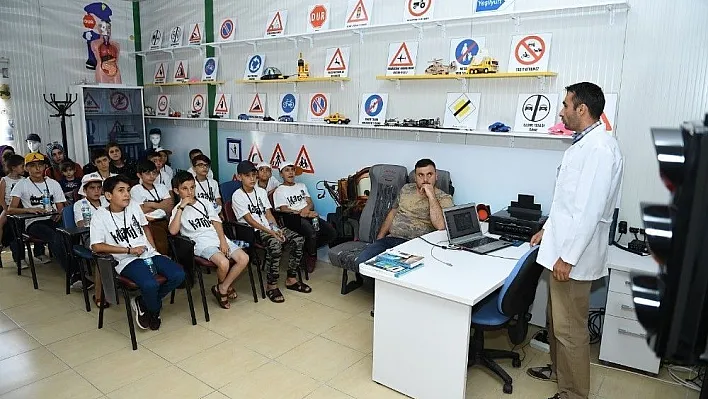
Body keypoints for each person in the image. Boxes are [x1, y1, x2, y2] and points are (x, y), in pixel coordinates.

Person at [526, 82, 623, 399]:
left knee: (570, 331)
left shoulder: (599, 149)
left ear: (582, 109)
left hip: (572, 258)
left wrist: (568, 256)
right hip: (561, 248)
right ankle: (559, 375)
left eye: (566, 105)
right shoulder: (583, 145)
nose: (561, 111)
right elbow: (567, 204)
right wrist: (547, 230)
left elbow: (589, 210)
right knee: (556, 323)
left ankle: (574, 394)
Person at [90, 175, 185, 331]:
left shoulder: (133, 206)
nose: (127, 194)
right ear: (108, 195)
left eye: (128, 190)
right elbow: (96, 246)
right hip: (126, 259)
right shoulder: (100, 216)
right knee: (150, 284)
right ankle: (154, 311)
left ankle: (144, 302)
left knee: (178, 274)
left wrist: (154, 250)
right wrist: (128, 250)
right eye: (121, 191)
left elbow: (145, 227)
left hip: (148, 254)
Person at [232, 161, 310, 303]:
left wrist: (276, 229)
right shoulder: (237, 196)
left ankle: (291, 279)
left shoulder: (261, 192)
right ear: (239, 177)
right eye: (247, 176)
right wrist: (271, 232)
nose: (252, 179)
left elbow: (268, 214)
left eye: (254, 175)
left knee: (298, 239)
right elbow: (250, 221)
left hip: (269, 228)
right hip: (252, 232)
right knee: (275, 245)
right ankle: (271, 285)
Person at [169, 171, 249, 309]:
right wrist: (181, 207)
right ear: (177, 190)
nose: (189, 192)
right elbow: (173, 231)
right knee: (224, 263)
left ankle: (222, 287)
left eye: (192, 187)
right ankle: (224, 288)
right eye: (184, 189)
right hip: (201, 244)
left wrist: (223, 241)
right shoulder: (177, 209)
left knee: (244, 258)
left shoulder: (204, 203)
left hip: (216, 238)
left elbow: (217, 222)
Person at [355, 159, 454, 264]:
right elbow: (393, 212)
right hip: (391, 240)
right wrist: (380, 237)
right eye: (420, 175)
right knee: (362, 262)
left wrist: (431, 195)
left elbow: (440, 226)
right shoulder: (406, 189)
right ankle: (365, 280)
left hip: (416, 245)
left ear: (436, 176)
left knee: (391, 270)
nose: (425, 179)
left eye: (429, 174)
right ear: (415, 178)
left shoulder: (444, 198)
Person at [7, 153, 76, 284]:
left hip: (52, 218)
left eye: (40, 165)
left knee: (68, 234)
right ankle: (73, 273)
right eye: (33, 166)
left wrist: (59, 213)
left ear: (45, 166)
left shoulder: (53, 183)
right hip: (33, 222)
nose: (37, 169)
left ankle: (76, 268)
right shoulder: (22, 185)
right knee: (54, 236)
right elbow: (11, 209)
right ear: (27, 169)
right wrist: (29, 209)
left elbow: (60, 206)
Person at [273, 162, 336, 273]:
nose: (290, 172)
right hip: (291, 218)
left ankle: (305, 250)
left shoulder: (301, 186)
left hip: (307, 214)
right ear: (281, 174)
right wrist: (302, 213)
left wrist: (307, 211)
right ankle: (311, 256)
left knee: (331, 233)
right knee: (311, 233)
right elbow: (283, 209)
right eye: (286, 170)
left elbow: (310, 203)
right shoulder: (279, 190)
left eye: (292, 170)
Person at [74, 174, 109, 307]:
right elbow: (80, 224)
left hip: (110, 234)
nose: (96, 191)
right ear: (85, 190)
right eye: (92, 188)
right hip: (90, 236)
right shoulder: (79, 204)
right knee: (102, 256)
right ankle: (99, 295)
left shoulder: (106, 201)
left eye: (99, 188)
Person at [131, 159, 174, 256]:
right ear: (139, 175)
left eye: (154, 173)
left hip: (165, 219)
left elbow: (169, 206)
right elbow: (140, 210)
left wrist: (150, 204)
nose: (151, 176)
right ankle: (162, 258)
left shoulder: (161, 187)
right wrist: (160, 205)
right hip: (149, 222)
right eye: (147, 173)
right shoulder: (136, 189)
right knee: (160, 238)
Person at [0, 154, 23, 251]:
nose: (24, 168)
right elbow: (1, 199)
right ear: (14, 168)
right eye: (22, 166)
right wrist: (6, 209)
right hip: (8, 207)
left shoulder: (23, 180)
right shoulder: (4, 180)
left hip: (21, 207)